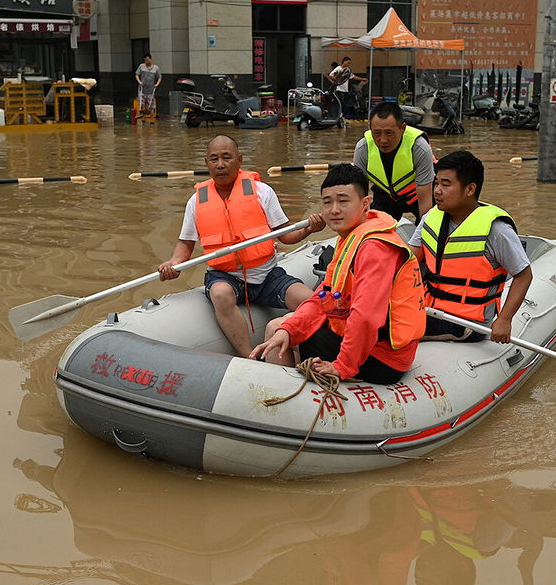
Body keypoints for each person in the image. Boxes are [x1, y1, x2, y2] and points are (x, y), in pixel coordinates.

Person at [250, 164, 425, 384]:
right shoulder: (351, 238)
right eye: (327, 202)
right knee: (282, 327)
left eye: (343, 201)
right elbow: (324, 296)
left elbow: (366, 317)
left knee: (276, 327)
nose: (334, 209)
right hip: (370, 342)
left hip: (383, 356)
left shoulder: (374, 248)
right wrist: (290, 330)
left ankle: (284, 396)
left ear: (365, 204)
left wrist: (342, 366)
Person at [157, 135, 325, 357]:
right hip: (225, 276)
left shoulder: (262, 192)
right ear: (206, 162)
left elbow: (285, 235)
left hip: (267, 275)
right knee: (220, 294)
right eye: (214, 159)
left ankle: (306, 348)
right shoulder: (195, 201)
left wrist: (308, 229)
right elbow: (186, 243)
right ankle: (249, 357)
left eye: (227, 157)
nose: (220, 164)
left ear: (239, 160)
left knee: (309, 299)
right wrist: (174, 263)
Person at [409, 150, 533, 343]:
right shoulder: (431, 218)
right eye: (436, 183)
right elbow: (408, 260)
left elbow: (524, 275)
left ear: (470, 189)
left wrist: (504, 319)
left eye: (446, 184)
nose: (437, 191)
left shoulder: (497, 230)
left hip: (467, 323)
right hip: (429, 310)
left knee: (391, 327)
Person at [352, 101, 435, 221]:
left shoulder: (419, 147)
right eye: (377, 133)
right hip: (386, 195)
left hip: (416, 195)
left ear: (402, 128)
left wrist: (425, 234)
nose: (383, 140)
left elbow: (425, 203)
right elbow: (358, 197)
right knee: (376, 224)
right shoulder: (362, 148)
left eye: (389, 133)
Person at [134, 53, 161, 120]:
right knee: (142, 104)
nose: (146, 62)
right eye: (145, 60)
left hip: (151, 90)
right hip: (142, 89)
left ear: (150, 59)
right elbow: (137, 74)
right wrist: (139, 82)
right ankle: (143, 119)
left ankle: (152, 120)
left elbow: (159, 77)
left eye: (147, 60)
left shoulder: (156, 68)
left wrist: (157, 84)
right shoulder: (141, 66)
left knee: (151, 106)